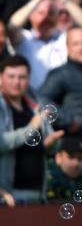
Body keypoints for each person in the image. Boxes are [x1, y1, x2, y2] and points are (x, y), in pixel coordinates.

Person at [38, 27, 82, 182]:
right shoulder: (61, 74)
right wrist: (66, 120)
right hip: (77, 153)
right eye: (76, 44)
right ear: (67, 47)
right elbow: (41, 100)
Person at [0, 55, 61, 201]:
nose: (17, 82)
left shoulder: (35, 106)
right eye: (11, 76)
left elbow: (50, 146)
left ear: (29, 79)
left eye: (22, 77)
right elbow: (2, 142)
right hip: (8, 196)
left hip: (38, 193)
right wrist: (31, 129)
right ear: (1, 77)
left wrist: (52, 144)